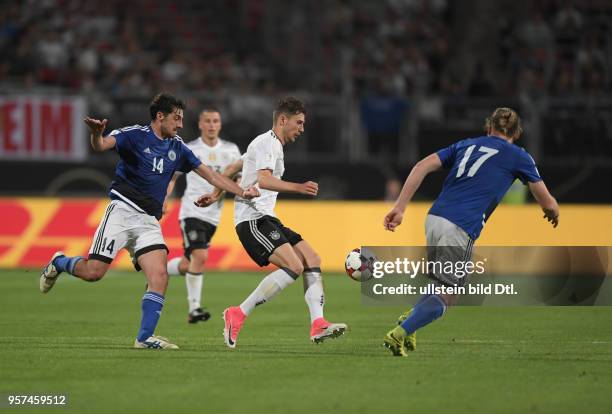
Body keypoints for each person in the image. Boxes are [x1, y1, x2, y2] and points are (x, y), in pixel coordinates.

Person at [39, 93, 259, 350]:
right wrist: (96, 134)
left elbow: (211, 175)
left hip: (148, 221)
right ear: (159, 116)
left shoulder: (178, 148)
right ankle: (59, 261)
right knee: (93, 272)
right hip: (121, 212)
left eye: (182, 120)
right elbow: (101, 146)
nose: (179, 125)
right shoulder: (134, 135)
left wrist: (241, 192)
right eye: (176, 119)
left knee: (160, 275)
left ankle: (144, 338)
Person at [382, 107, 559, 357]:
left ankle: (410, 322)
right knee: (449, 296)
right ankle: (399, 333)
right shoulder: (519, 156)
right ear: (517, 133)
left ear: (489, 127)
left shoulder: (465, 145)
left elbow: (422, 166)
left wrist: (400, 207)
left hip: (434, 218)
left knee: (440, 285)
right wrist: (553, 213)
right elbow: (548, 203)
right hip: (461, 225)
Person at [196, 97, 347, 348]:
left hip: (267, 218)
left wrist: (214, 195)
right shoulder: (268, 143)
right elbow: (264, 180)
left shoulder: (267, 144)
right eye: (299, 122)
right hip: (253, 219)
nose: (302, 128)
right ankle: (238, 313)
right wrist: (298, 187)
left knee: (312, 259)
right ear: (283, 120)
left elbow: (233, 167)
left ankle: (318, 323)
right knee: (295, 266)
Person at [165, 107, 241, 324]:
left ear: (220, 124)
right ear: (199, 124)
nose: (211, 125)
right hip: (191, 212)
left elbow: (237, 180)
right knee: (201, 257)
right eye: (207, 121)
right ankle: (194, 309)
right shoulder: (190, 149)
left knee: (190, 264)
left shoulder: (231, 150)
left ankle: (160, 269)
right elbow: (172, 178)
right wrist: (164, 199)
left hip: (213, 217)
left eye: (215, 121)